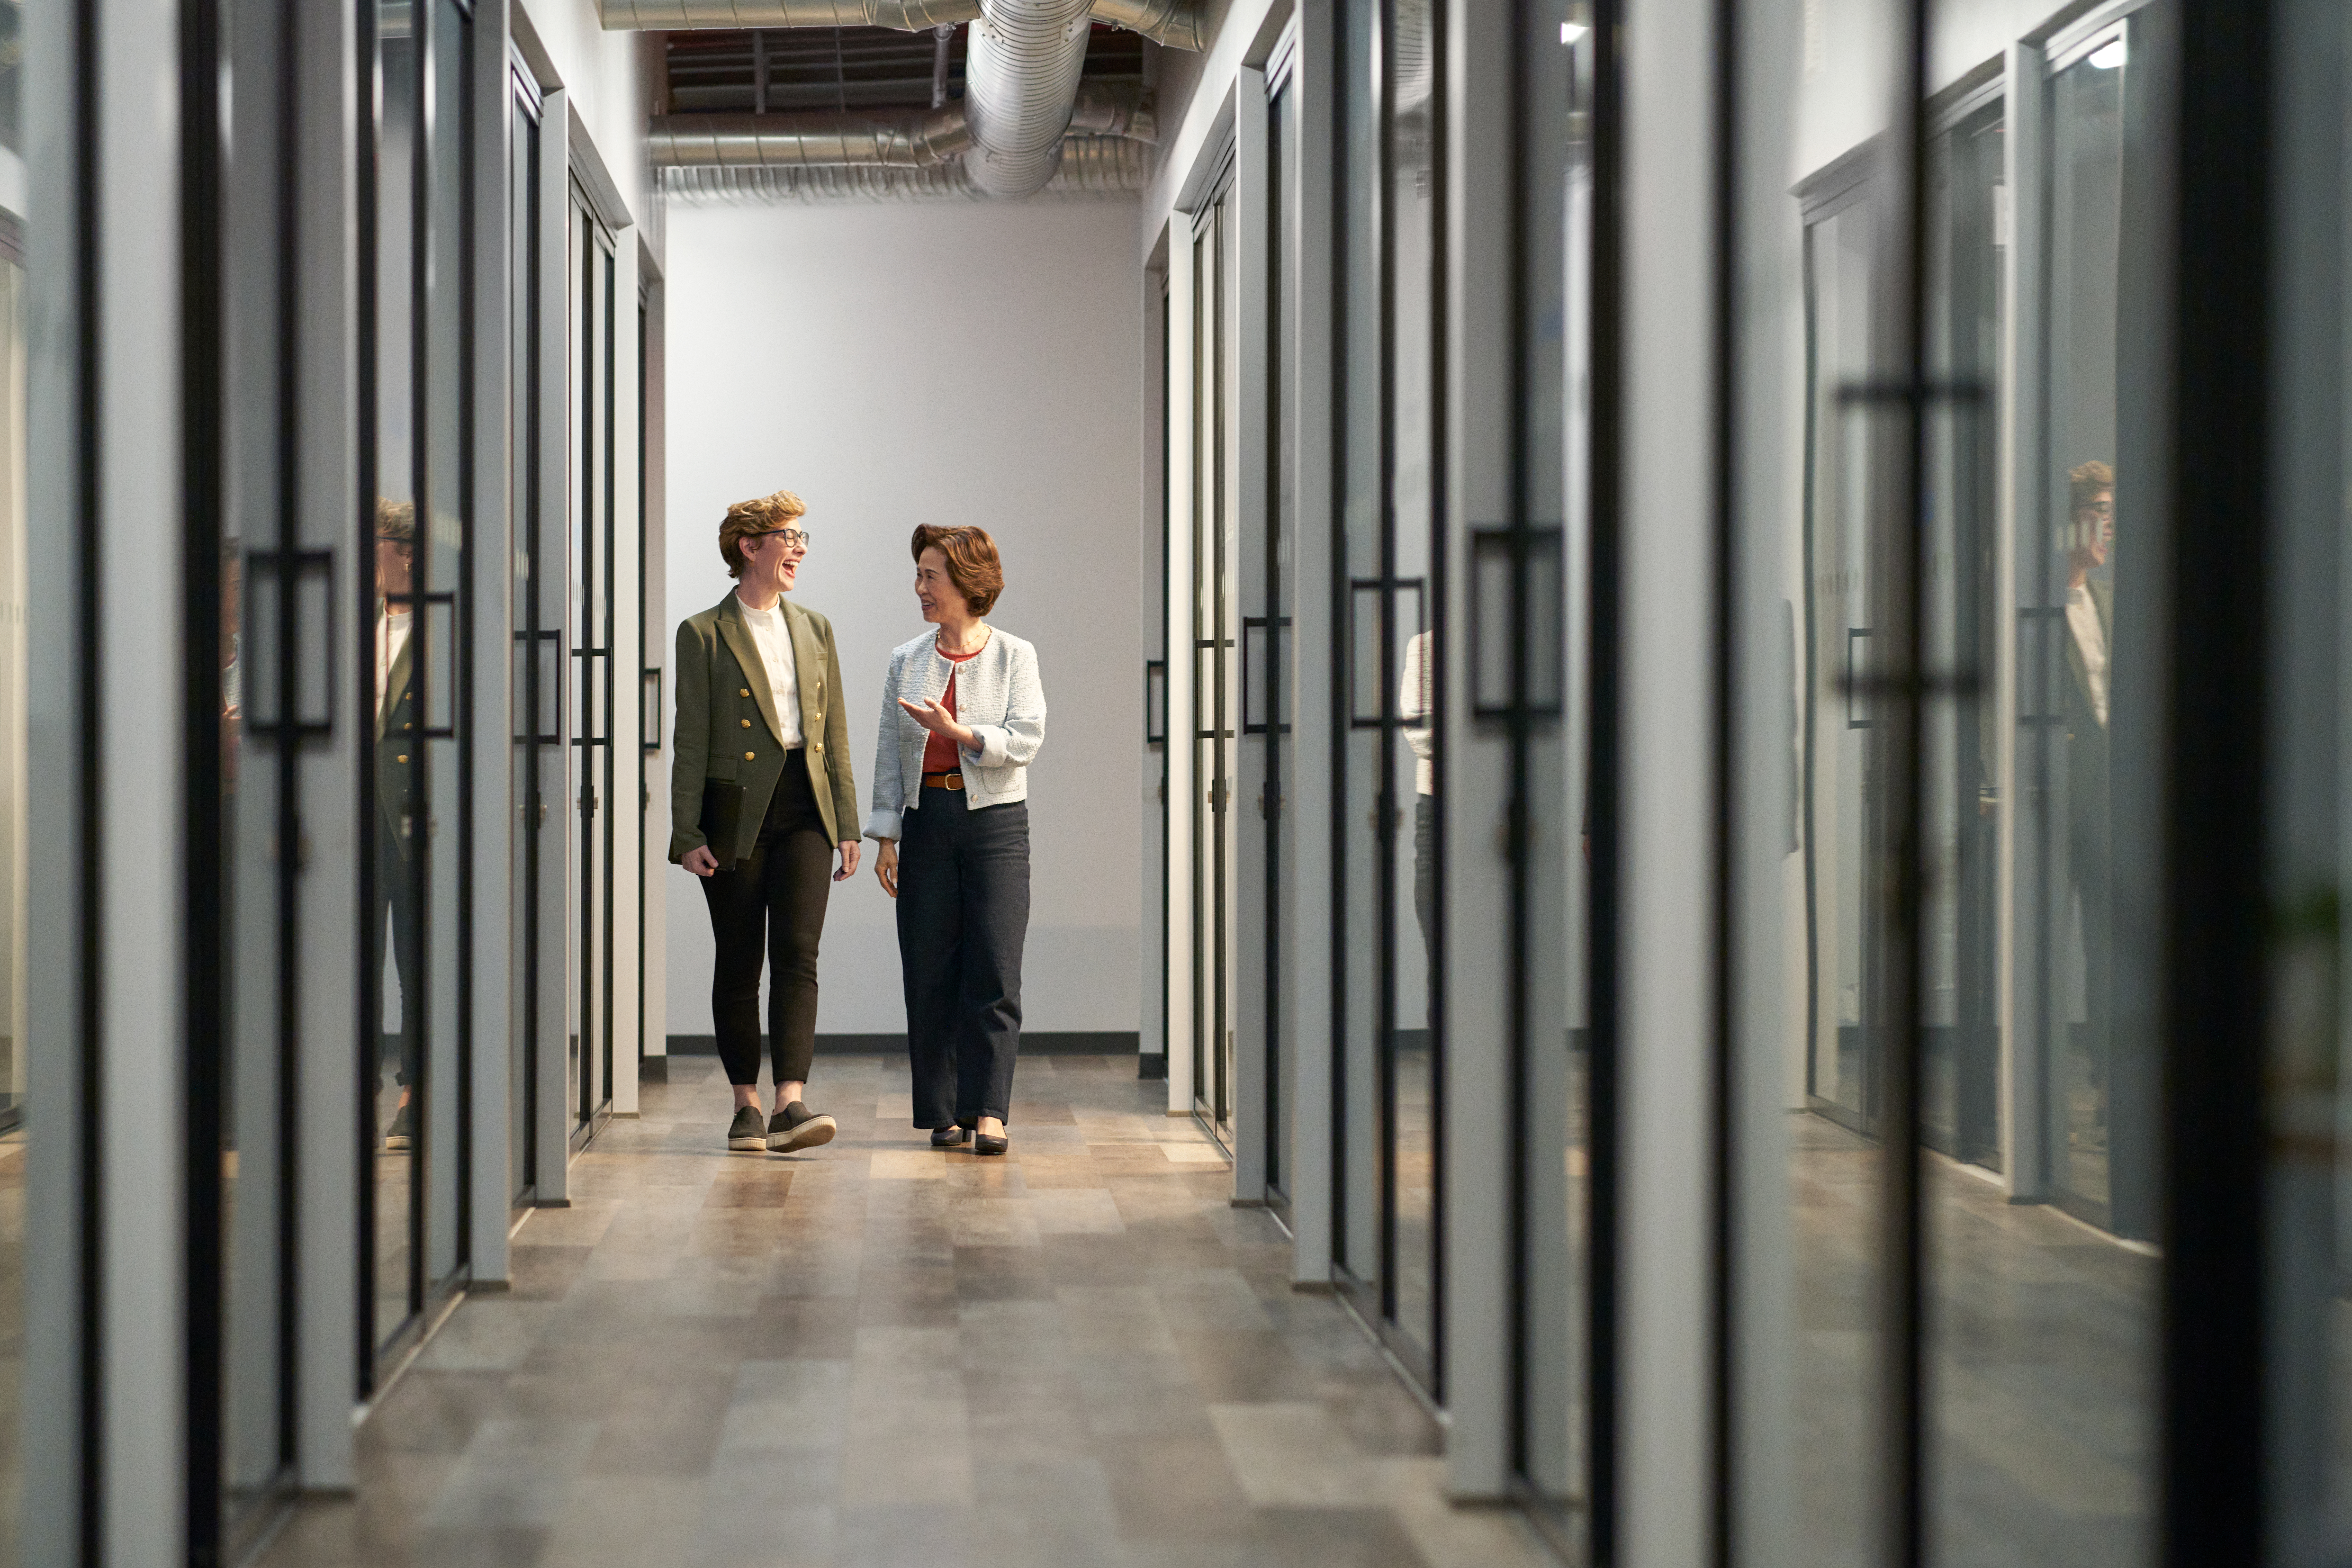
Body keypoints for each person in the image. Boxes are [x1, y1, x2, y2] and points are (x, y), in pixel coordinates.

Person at [670, 490, 862, 1154]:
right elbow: (690, 739)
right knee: (739, 958)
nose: (801, 548)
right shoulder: (702, 632)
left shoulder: (815, 627)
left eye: (804, 535)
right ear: (750, 547)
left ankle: (792, 1102)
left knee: (798, 955)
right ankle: (744, 1105)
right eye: (789, 536)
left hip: (804, 803)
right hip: (732, 812)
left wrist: (847, 821)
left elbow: (833, 731)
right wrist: (686, 833)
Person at [868, 526, 1045, 1157]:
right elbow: (891, 754)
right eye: (918, 575)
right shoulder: (905, 659)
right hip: (926, 823)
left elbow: (1025, 738)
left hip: (996, 824)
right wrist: (886, 838)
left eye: (930, 577)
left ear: (967, 583)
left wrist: (962, 732)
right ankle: (942, 1115)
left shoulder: (1013, 656)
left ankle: (990, 1111)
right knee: (929, 970)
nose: (919, 588)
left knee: (995, 969)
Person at [2061, 459, 2114, 1139]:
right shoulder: (2028, 600)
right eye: (2100, 510)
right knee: (2039, 948)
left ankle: (2108, 1092)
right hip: (2048, 802)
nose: (2109, 525)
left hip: (2106, 802)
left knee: (2107, 951)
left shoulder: (2107, 601)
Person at [374, 500, 423, 1151]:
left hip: (414, 813)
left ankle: (415, 1091)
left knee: (415, 958)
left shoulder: (448, 627)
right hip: (345, 815)